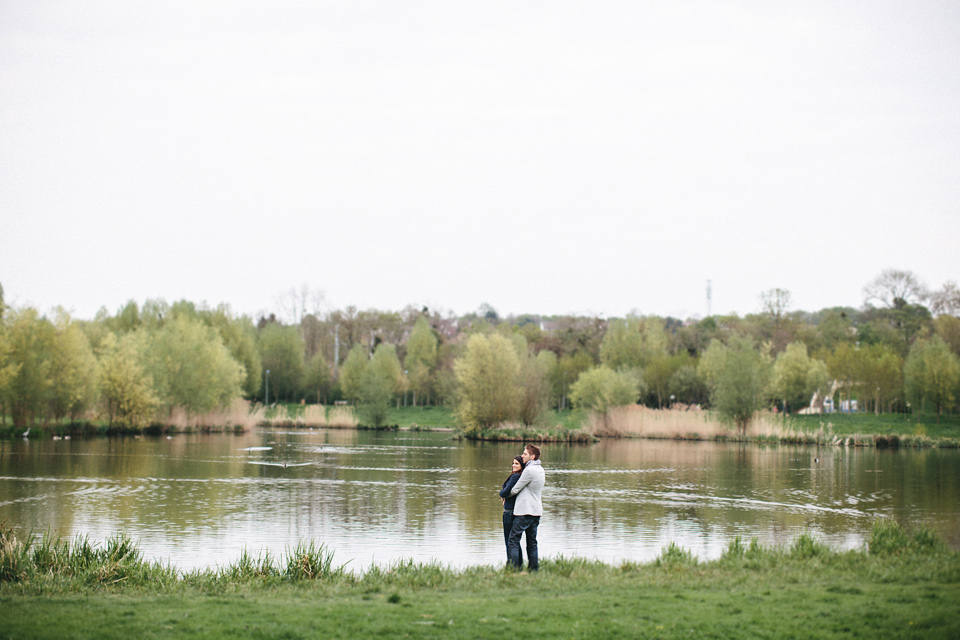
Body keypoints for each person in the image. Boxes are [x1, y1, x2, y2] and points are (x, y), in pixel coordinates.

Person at [507, 444, 544, 571]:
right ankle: (534, 569)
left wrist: (504, 495)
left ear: (532, 457)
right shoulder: (540, 469)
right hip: (536, 511)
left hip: (524, 511)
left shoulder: (529, 470)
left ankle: (514, 569)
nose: (522, 456)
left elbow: (515, 489)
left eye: (525, 454)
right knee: (532, 542)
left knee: (513, 540)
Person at [498, 455, 525, 565]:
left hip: (509, 511)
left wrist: (501, 494)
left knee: (509, 541)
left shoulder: (515, 477)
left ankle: (512, 564)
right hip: (516, 511)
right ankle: (519, 564)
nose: (514, 465)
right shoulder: (521, 476)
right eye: (513, 463)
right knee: (515, 541)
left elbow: (505, 491)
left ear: (522, 465)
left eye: (517, 463)